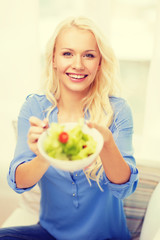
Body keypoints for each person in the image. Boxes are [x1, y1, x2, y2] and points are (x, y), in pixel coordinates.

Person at [0, 16, 138, 240]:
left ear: (100, 62)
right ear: (53, 59)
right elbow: (18, 183)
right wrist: (44, 153)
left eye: (89, 55)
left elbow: (124, 188)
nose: (78, 64)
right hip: (51, 234)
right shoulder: (35, 106)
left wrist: (107, 143)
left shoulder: (118, 110)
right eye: (67, 53)